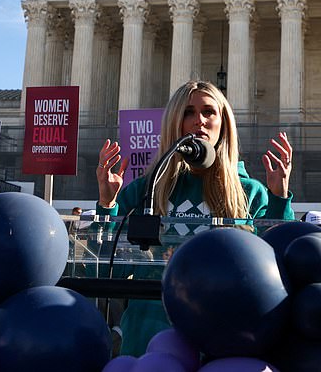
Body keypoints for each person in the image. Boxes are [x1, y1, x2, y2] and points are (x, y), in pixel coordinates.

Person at [96, 80, 295, 355]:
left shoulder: (250, 192)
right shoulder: (145, 190)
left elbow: (276, 272)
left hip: (224, 335)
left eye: (208, 112)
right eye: (188, 112)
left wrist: (279, 200)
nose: (198, 121)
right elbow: (108, 270)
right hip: (150, 338)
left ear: (223, 123)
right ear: (174, 122)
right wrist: (108, 204)